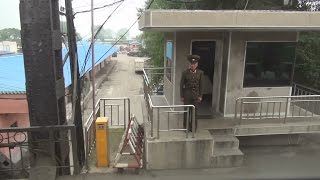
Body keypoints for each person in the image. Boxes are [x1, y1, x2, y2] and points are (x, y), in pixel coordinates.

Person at [180, 54, 203, 132]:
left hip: (195, 96)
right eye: (191, 64)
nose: (193, 65)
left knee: (194, 113)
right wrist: (182, 95)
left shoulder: (200, 73)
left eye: (194, 64)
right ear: (189, 64)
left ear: (197, 64)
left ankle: (193, 128)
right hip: (187, 96)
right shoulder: (185, 73)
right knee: (186, 112)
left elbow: (201, 85)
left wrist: (200, 96)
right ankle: (186, 128)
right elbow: (181, 85)